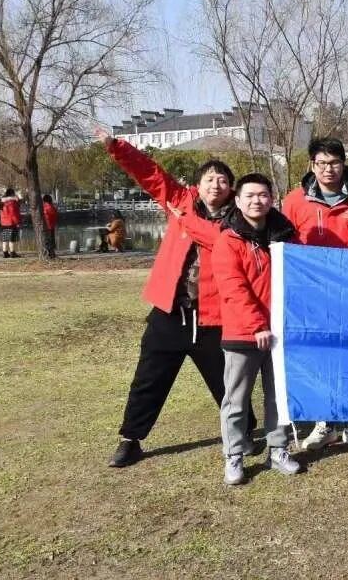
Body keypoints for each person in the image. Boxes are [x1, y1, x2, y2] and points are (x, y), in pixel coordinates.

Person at [95, 127, 255, 468]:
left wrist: (188, 224)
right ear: (198, 184)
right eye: (210, 179)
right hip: (170, 312)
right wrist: (116, 146)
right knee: (149, 379)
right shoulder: (180, 201)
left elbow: (221, 241)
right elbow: (150, 173)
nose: (216, 185)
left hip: (214, 316)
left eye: (223, 180)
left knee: (228, 381)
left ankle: (243, 431)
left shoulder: (239, 220)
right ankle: (131, 439)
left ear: (231, 188)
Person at [283, 137, 348, 453]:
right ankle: (324, 423)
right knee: (320, 359)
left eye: (334, 162)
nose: (328, 169)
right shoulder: (295, 201)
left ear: (344, 163)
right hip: (313, 296)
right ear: (312, 165)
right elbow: (287, 247)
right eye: (322, 163)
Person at [214, 173, 303, 485]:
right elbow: (233, 288)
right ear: (238, 201)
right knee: (236, 399)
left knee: (277, 396)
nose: (257, 201)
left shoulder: (286, 236)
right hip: (243, 333)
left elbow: (299, 276)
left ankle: (278, 448)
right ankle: (234, 454)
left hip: (280, 331)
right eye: (249, 196)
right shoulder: (228, 241)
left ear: (272, 199)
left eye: (263, 195)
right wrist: (256, 325)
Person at [0, 188, 21, 258]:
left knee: (5, 238)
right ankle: (12, 253)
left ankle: (5, 253)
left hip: (3, 223)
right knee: (12, 238)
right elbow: (14, 214)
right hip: (12, 222)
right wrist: (18, 222)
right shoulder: (13, 203)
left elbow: (0, 212)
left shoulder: (1, 203)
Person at [41, 194, 58, 259]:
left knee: (47, 241)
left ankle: (48, 253)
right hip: (52, 226)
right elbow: (55, 216)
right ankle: (52, 253)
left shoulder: (44, 208)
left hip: (46, 227)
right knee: (51, 239)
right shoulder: (52, 207)